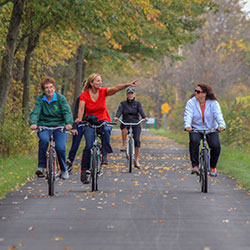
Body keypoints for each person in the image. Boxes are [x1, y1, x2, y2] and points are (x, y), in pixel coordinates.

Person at [75, 73, 138, 184]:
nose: (100, 82)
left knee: (107, 129)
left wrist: (127, 84)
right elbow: (81, 109)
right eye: (98, 81)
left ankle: (104, 154)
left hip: (103, 119)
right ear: (91, 83)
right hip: (89, 120)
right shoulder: (84, 95)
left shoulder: (103, 92)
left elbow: (116, 88)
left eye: (101, 80)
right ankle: (84, 170)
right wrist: (79, 119)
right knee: (88, 146)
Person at [30, 77, 73, 180]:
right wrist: (33, 123)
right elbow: (36, 112)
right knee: (44, 140)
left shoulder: (60, 98)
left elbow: (66, 111)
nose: (49, 90)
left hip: (60, 126)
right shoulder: (41, 99)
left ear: (54, 88)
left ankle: (63, 169)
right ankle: (41, 166)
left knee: (60, 147)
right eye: (46, 88)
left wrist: (68, 123)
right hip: (44, 126)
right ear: (43, 90)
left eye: (51, 87)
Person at [184, 83, 226, 177]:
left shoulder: (213, 103)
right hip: (196, 128)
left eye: (198, 92)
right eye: (195, 91)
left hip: (211, 128)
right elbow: (188, 115)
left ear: (205, 93)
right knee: (194, 142)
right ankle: (195, 166)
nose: (196, 93)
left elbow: (218, 115)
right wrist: (187, 125)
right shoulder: (191, 102)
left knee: (216, 146)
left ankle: (213, 167)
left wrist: (221, 125)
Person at [114, 87, 148, 169]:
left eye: (132, 93)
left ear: (134, 94)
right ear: (127, 94)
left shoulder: (137, 103)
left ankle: (136, 160)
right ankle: (124, 144)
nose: (130, 95)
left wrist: (144, 117)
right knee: (124, 129)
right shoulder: (123, 103)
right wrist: (116, 117)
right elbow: (119, 111)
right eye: (129, 93)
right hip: (126, 120)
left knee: (137, 140)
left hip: (135, 121)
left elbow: (141, 111)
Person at [66, 80, 87, 173]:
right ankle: (69, 163)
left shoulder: (96, 98)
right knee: (75, 145)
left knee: (91, 145)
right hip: (79, 124)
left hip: (90, 124)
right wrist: (74, 127)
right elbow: (75, 112)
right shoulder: (80, 98)